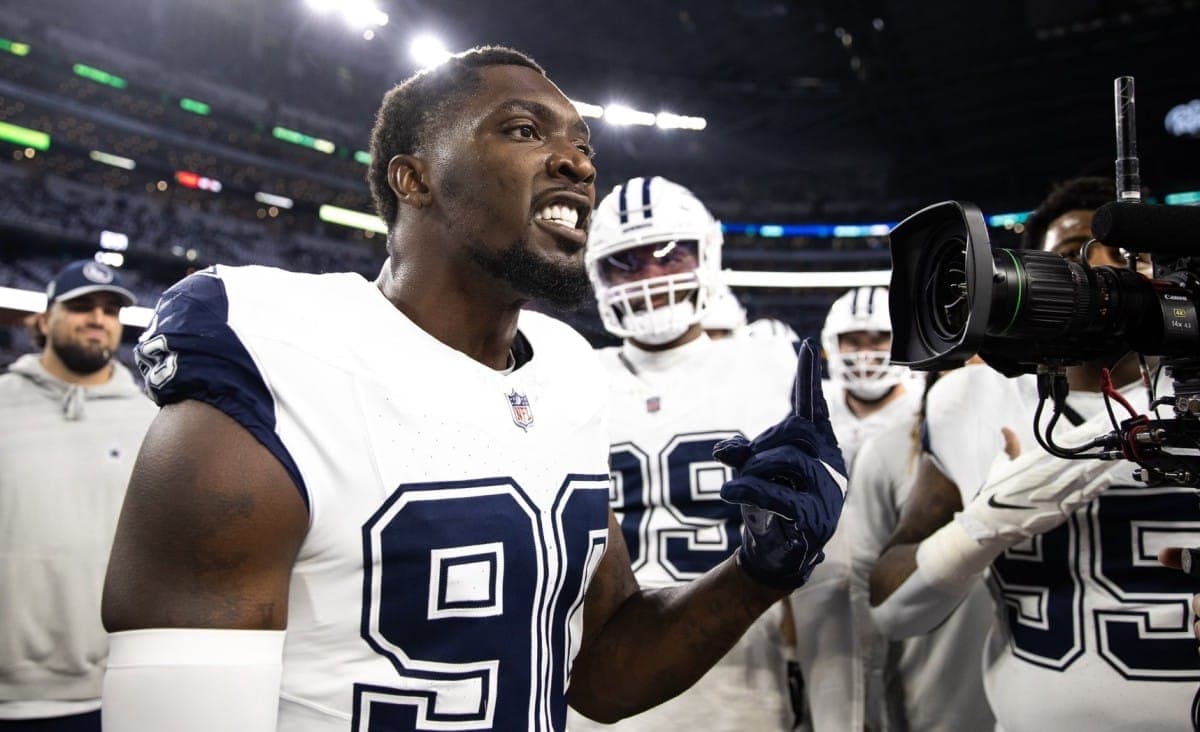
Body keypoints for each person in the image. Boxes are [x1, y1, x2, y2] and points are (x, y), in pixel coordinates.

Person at [99, 47, 846, 732]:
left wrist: (755, 573)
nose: (579, 166)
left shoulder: (566, 371)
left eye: (584, 145)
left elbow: (603, 673)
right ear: (414, 176)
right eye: (525, 131)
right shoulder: (279, 365)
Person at [867, 177, 1200, 730]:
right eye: (1076, 256)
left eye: (1128, 255)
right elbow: (890, 611)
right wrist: (982, 525)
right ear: (1036, 279)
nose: (1108, 273)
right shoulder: (977, 399)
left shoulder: (1190, 388)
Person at [568, 175, 799, 730]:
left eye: (669, 254)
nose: (649, 274)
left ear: (707, 255)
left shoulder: (772, 367)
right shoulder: (564, 374)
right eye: (625, 261)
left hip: (736, 679)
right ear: (595, 273)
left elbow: (828, 567)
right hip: (594, 682)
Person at [0, 260, 156, 732]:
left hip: (113, 690)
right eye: (81, 306)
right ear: (44, 321)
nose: (98, 319)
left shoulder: (152, 422)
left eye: (110, 310)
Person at [842, 368, 995, 732]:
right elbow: (860, 591)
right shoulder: (888, 452)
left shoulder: (1062, 440)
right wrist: (862, 709)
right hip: (932, 701)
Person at [819, 287, 920, 470]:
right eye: (853, 341)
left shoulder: (923, 406)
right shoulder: (816, 405)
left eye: (878, 340)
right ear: (833, 345)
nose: (865, 355)